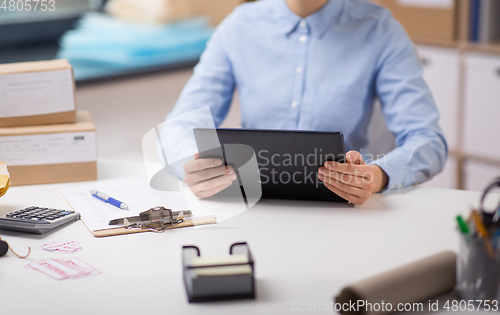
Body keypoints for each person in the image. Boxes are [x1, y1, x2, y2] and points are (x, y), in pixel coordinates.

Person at [163, 0, 447, 205]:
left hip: (341, 213)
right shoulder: (239, 26)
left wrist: (376, 176)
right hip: (251, 209)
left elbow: (427, 140)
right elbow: (178, 125)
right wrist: (192, 164)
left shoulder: (380, 29)